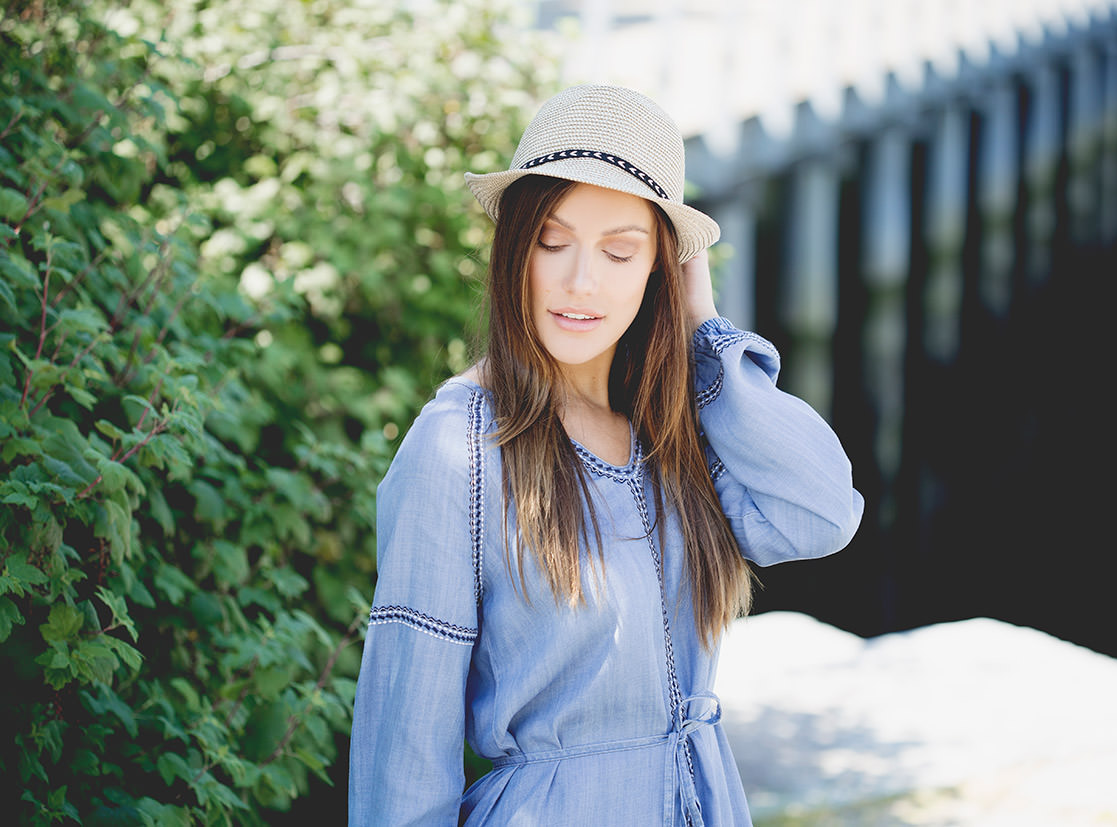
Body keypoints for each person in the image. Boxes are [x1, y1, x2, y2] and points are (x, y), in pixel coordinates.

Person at [348, 83, 864, 826]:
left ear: (662, 266)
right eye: (552, 242)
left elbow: (822, 511)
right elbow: (403, 754)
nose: (580, 282)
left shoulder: (674, 432)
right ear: (514, 250)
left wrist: (704, 329)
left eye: (620, 251)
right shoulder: (460, 445)